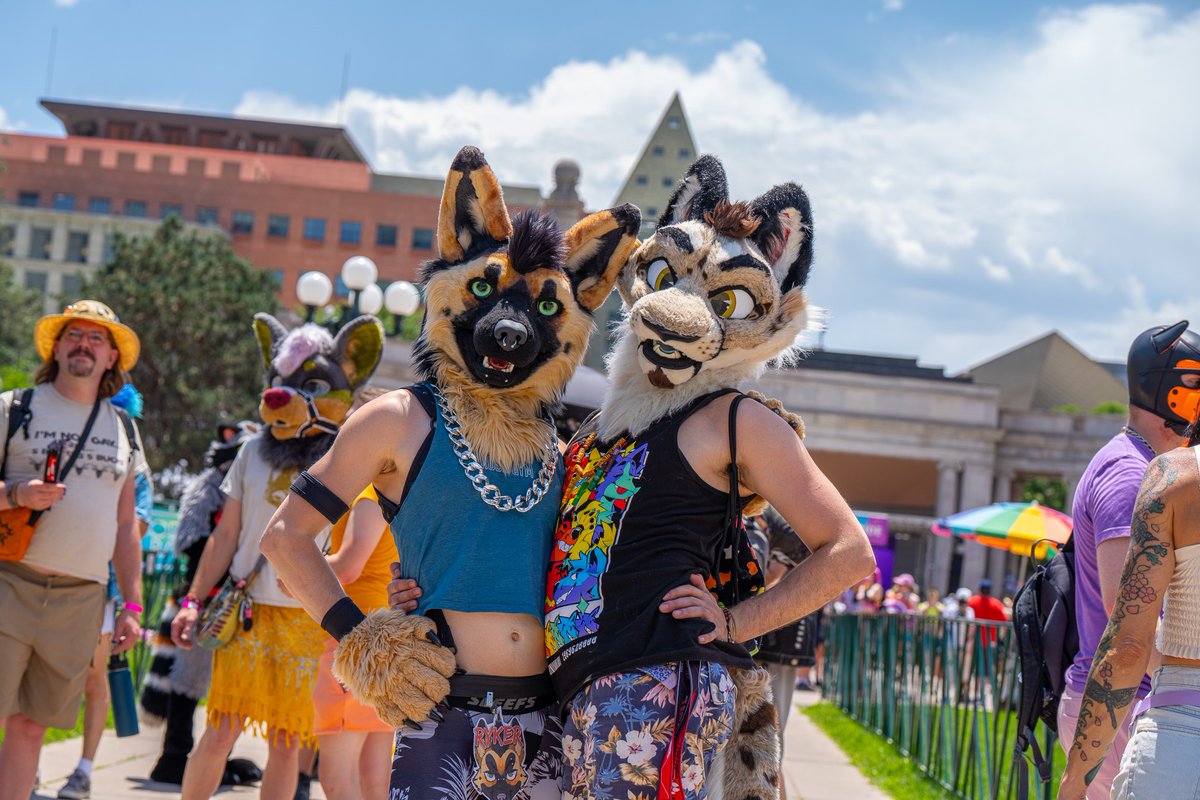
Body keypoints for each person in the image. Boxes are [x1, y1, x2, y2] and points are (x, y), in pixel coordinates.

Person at [260, 146, 641, 800]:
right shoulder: (399, 419)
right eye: (488, 290)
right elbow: (284, 538)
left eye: (543, 308)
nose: (510, 328)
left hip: (549, 717)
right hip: (440, 712)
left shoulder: (561, 447)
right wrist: (362, 637)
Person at [543, 155, 875, 799]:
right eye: (669, 276)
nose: (680, 308)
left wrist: (735, 623)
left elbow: (848, 551)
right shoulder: (602, 429)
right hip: (579, 689)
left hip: (652, 692)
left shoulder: (737, 419)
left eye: (723, 298)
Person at [171, 312, 384, 800]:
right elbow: (224, 536)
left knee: (288, 744)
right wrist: (192, 601)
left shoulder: (348, 454)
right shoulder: (251, 453)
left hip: (313, 620)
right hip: (248, 615)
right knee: (220, 731)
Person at [0, 301, 146, 800]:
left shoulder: (125, 429)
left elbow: (128, 526)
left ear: (110, 359)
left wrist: (131, 604)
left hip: (81, 597)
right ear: (57, 347)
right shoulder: (13, 407)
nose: (84, 344)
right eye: (75, 335)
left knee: (30, 725)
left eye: (97, 339)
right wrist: (15, 495)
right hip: (9, 581)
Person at [1057, 320, 1200, 799]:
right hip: (1122, 704)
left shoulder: (1153, 470)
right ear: (1169, 386)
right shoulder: (1129, 474)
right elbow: (1128, 621)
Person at [141, 422, 261, 787]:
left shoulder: (249, 487)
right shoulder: (210, 486)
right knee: (186, 679)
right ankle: (175, 754)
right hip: (205, 597)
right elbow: (192, 540)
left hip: (236, 599)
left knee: (223, 685)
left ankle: (210, 759)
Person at [57, 386, 155, 800]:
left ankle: (83, 770)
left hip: (103, 588)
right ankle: (22, 768)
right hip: (53, 575)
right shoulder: (60, 435)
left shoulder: (130, 449)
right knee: (43, 678)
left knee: (95, 680)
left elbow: (140, 524)